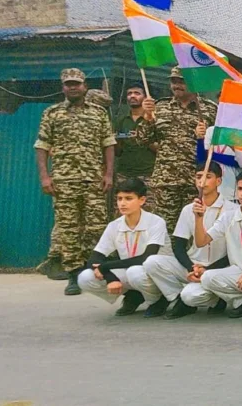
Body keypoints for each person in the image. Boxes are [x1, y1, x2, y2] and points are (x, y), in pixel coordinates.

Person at [35, 68, 116, 294]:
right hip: (64, 180)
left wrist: (108, 174)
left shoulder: (99, 113)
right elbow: (42, 146)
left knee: (96, 227)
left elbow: (108, 143)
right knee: (68, 228)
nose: (73, 87)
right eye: (68, 84)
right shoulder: (52, 113)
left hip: (93, 180)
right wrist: (45, 176)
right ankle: (73, 274)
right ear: (63, 87)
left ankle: (95, 269)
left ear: (84, 86)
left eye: (77, 83)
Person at [142, 162, 233, 319]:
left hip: (219, 268)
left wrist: (207, 269)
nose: (202, 182)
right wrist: (191, 267)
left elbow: (235, 251)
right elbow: (179, 245)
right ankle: (178, 298)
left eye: (208, 177)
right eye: (198, 177)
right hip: (193, 264)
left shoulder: (232, 210)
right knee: (152, 262)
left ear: (218, 181)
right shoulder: (188, 209)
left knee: (192, 296)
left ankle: (217, 298)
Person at [138, 67, 218, 233]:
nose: (177, 85)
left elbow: (219, 144)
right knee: (164, 229)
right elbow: (142, 140)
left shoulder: (210, 109)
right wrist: (147, 117)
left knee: (193, 229)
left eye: (182, 81)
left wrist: (204, 137)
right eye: (174, 81)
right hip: (166, 181)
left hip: (196, 181)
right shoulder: (160, 107)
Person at [78, 178, 169, 315]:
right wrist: (110, 277)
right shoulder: (114, 225)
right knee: (85, 277)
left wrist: (105, 267)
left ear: (142, 200)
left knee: (135, 273)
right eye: (119, 199)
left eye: (128, 198)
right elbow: (94, 258)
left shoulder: (156, 222)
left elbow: (146, 258)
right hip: (131, 270)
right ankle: (134, 295)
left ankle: (158, 299)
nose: (122, 203)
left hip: (158, 272)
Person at [193, 170, 242, 318]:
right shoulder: (228, 217)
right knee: (207, 277)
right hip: (238, 270)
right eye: (240, 188)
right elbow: (201, 242)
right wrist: (198, 218)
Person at [113, 82, 156, 205]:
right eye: (129, 93)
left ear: (146, 97)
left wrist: (143, 138)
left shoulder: (154, 119)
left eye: (137, 93)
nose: (132, 96)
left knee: (147, 209)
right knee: (123, 209)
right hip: (124, 174)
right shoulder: (121, 121)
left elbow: (162, 147)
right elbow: (117, 151)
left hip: (148, 174)